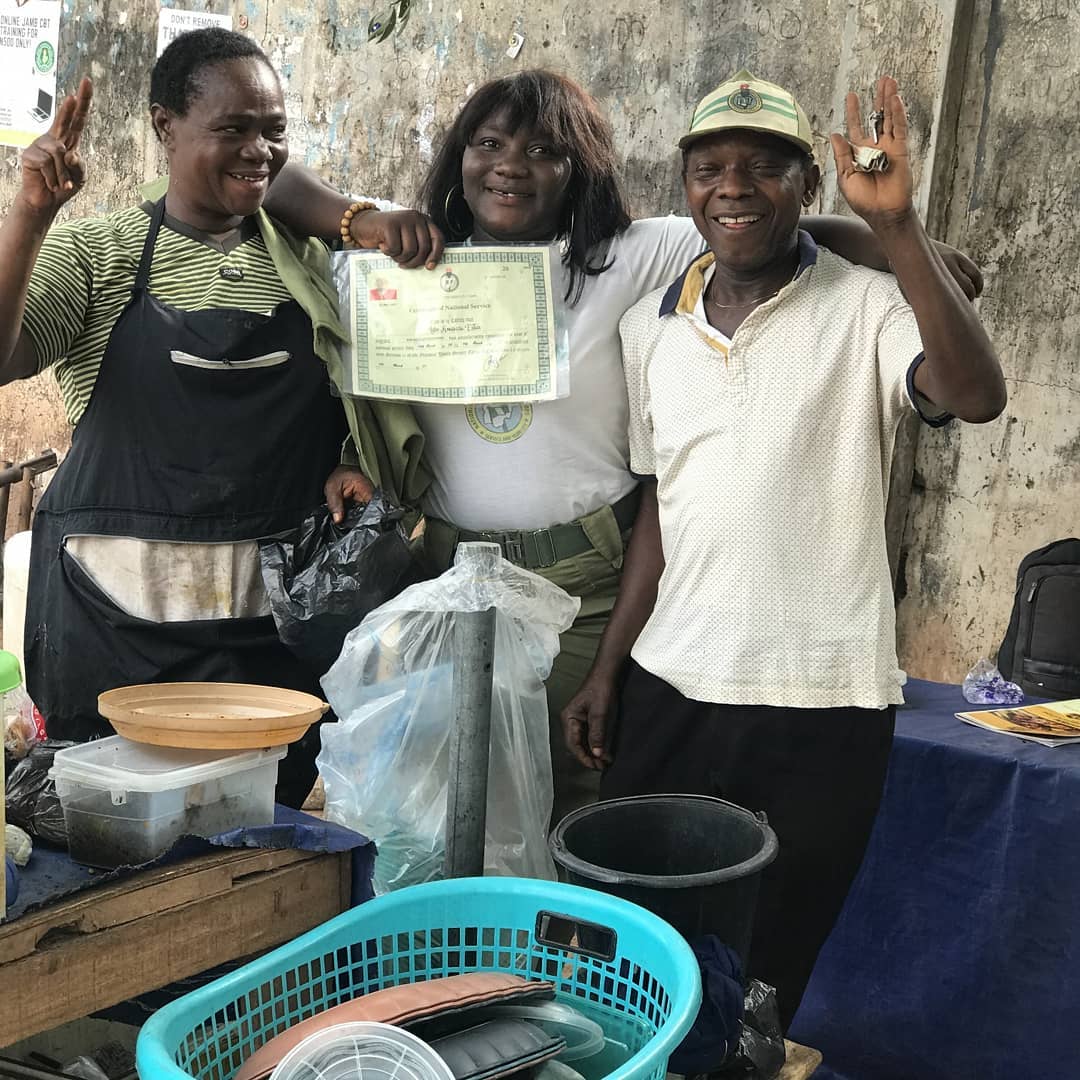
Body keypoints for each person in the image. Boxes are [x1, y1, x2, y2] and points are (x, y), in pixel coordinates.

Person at [263, 70, 984, 820]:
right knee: (448, 803)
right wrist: (359, 220)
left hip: (586, 585)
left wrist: (897, 240)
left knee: (576, 799)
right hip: (448, 575)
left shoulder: (634, 256)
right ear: (460, 157)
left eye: (543, 150)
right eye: (489, 144)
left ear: (580, 170)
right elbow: (273, 183)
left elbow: (765, 227)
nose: (510, 166)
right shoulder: (410, 254)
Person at [560, 71, 1006, 1028]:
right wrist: (607, 670)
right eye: (711, 168)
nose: (734, 187)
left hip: (822, 697)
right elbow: (661, 508)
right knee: (636, 947)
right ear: (685, 187)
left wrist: (897, 227)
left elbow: (975, 396)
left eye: (765, 166)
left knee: (773, 960)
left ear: (807, 185)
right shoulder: (650, 328)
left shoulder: (871, 306)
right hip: (671, 685)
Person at [0, 28, 438, 806]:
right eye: (233, 128)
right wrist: (31, 216)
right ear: (165, 126)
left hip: (268, 638)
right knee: (120, 836)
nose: (258, 151)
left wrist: (350, 455)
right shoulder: (100, 255)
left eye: (274, 130)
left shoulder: (315, 268)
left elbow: (365, 402)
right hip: (112, 627)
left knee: (258, 841)